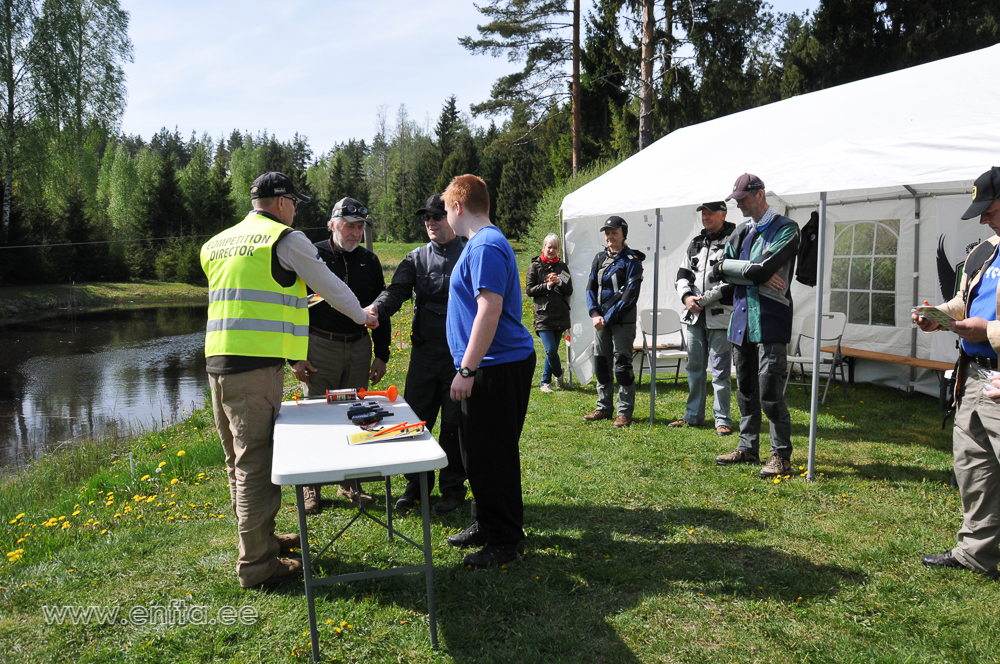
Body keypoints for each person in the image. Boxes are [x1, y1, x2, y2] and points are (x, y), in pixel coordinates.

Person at [200, 172, 378, 589]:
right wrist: (363, 316)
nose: (297, 209)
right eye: (294, 202)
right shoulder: (285, 238)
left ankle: (261, 541)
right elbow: (330, 286)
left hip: (217, 364)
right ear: (280, 203)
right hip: (254, 369)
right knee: (255, 465)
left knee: (237, 462)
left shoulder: (217, 243)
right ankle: (257, 564)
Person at [440, 174, 536, 569]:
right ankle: (486, 522)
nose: (445, 216)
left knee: (492, 454)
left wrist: (467, 368)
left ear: (458, 206)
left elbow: (489, 308)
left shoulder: (486, 245)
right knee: (475, 453)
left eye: (446, 209)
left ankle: (506, 540)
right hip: (487, 366)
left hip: (494, 367)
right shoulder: (478, 244)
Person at [916, 166, 1000, 578]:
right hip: (973, 376)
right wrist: (939, 318)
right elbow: (963, 301)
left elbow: (984, 320)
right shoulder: (984, 250)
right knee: (973, 465)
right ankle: (976, 553)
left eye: (991, 210)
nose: (984, 218)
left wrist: (990, 331)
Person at [369, 193, 469, 515]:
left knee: (455, 426)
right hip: (424, 355)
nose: (431, 223)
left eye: (437, 216)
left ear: (451, 217)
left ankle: (452, 489)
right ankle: (416, 485)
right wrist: (377, 310)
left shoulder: (470, 253)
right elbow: (396, 291)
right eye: (426, 218)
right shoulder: (415, 258)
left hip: (458, 356)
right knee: (415, 422)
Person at [294, 196, 390, 513]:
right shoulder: (312, 254)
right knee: (317, 418)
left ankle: (350, 483)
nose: (355, 233)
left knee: (355, 415)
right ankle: (311, 488)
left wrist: (382, 353)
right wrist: (294, 356)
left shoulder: (369, 261)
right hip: (320, 345)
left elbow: (380, 309)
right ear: (332, 225)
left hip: (359, 346)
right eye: (349, 226)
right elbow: (290, 307)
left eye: (360, 227)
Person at [712, 173, 799, 479]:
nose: (739, 205)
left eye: (743, 199)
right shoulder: (739, 233)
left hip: (770, 321)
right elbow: (718, 269)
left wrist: (748, 271)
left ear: (760, 194)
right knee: (746, 390)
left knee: (769, 389)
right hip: (740, 322)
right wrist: (754, 273)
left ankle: (781, 455)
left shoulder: (787, 228)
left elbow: (765, 266)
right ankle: (748, 447)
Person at [670, 201, 736, 435]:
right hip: (694, 318)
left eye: (710, 213)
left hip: (720, 318)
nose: (706, 218)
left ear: (723, 214)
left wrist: (704, 300)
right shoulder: (696, 243)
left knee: (720, 371)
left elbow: (733, 280)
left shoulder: (734, 239)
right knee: (695, 368)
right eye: (704, 214)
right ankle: (693, 416)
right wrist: (687, 297)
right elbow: (681, 274)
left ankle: (723, 420)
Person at [583, 216, 645, 428]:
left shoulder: (632, 260)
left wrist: (606, 319)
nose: (610, 236)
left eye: (614, 232)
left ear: (623, 234)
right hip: (600, 322)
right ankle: (603, 407)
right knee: (601, 364)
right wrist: (594, 314)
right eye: (607, 233)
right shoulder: (599, 258)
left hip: (622, 321)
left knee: (622, 366)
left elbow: (630, 295)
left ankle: (624, 412)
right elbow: (590, 288)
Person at [525, 232, 573, 393]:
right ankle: (558, 375)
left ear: (559, 250)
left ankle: (546, 382)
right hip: (543, 315)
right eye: (549, 247)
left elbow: (569, 290)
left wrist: (559, 282)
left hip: (560, 314)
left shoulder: (563, 268)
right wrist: (547, 285)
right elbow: (530, 290)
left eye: (555, 248)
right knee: (550, 350)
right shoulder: (535, 266)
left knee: (551, 350)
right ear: (543, 247)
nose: (551, 250)